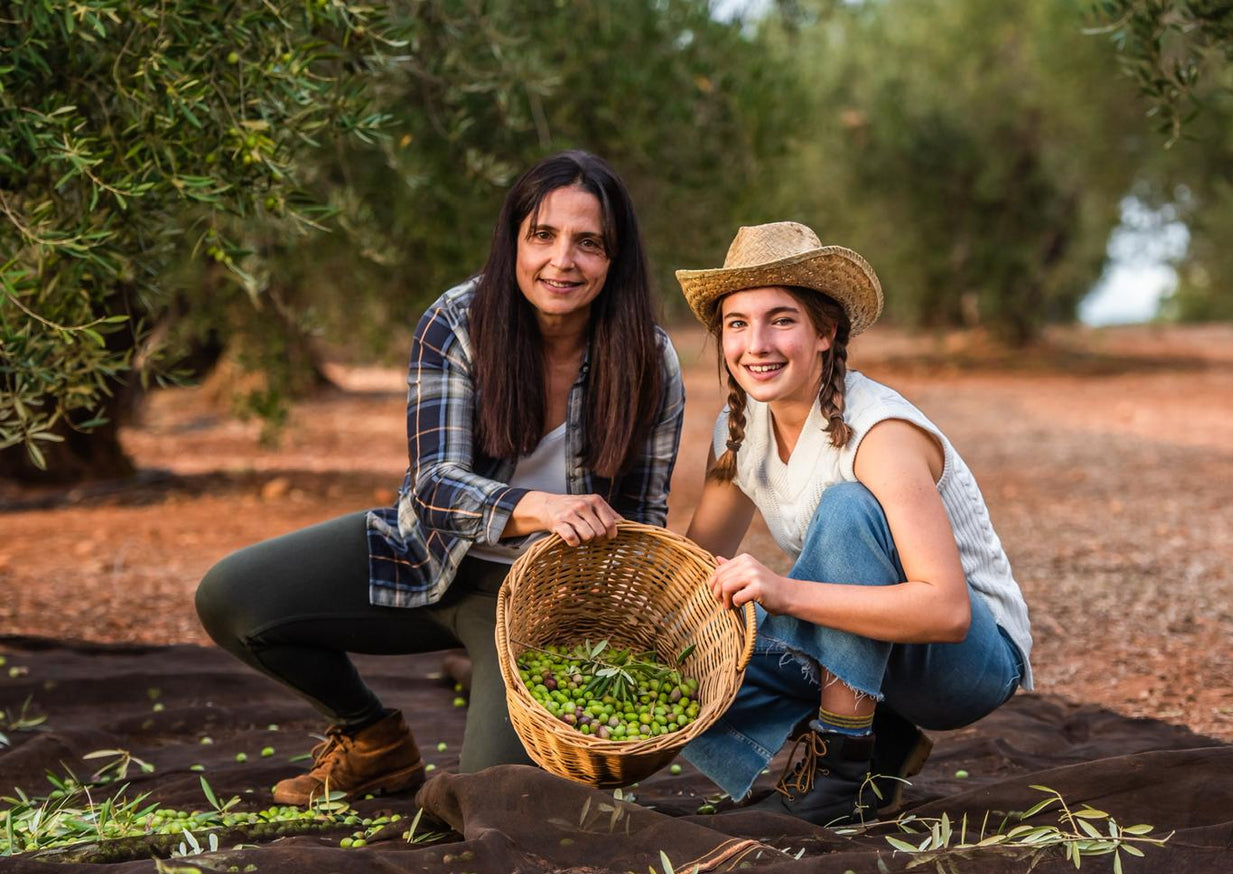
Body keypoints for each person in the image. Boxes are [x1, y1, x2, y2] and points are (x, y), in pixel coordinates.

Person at [195, 150, 685, 806]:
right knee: (233, 595)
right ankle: (372, 741)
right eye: (542, 235)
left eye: (588, 243)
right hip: (420, 553)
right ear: (513, 238)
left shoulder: (648, 360)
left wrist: (604, 644)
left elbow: (643, 517)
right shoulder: (458, 320)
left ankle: (503, 711)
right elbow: (431, 483)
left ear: (615, 258)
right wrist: (539, 506)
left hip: (534, 605)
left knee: (488, 800)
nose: (562, 260)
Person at [673, 222, 1032, 826]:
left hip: (963, 665)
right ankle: (882, 738)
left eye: (781, 320)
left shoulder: (880, 433)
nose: (755, 344)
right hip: (880, 652)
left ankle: (840, 767)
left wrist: (786, 594)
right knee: (692, 639)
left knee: (846, 509)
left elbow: (946, 612)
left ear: (824, 332)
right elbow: (691, 569)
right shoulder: (738, 432)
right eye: (737, 323)